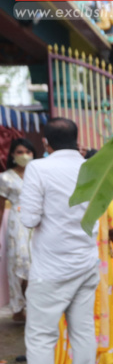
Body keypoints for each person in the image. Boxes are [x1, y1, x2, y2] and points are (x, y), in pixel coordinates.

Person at [0, 118, 100, 364]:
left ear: (46, 143)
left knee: (41, 338)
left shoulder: (39, 169)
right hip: (86, 262)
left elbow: (29, 219)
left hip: (53, 268)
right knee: (83, 334)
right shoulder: (91, 168)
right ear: (77, 139)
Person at [54, 199, 113, 364]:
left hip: (66, 263)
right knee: (95, 311)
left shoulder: (62, 192)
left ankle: (70, 362)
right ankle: (96, 360)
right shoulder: (102, 192)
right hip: (96, 263)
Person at [0, 138, 36, 323]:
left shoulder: (38, 174)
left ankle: (33, 305)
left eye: (28, 152)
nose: (24, 156)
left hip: (37, 221)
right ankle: (18, 307)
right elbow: (0, 208)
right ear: (13, 155)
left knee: (35, 262)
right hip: (16, 223)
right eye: (20, 152)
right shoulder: (5, 177)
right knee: (18, 262)